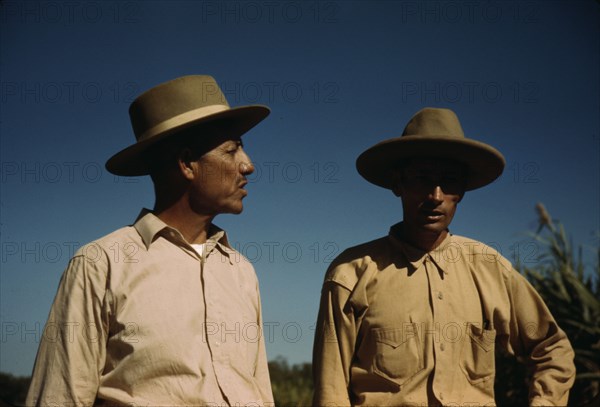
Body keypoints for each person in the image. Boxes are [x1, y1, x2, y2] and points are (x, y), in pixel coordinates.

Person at [26, 75, 274, 406]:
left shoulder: (241, 272)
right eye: (231, 150)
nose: (248, 165)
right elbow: (60, 396)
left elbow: (260, 390)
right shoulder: (101, 264)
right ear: (187, 164)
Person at [312, 107, 576, 406]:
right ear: (398, 184)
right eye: (422, 178)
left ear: (461, 190)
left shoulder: (490, 268)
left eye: (449, 181)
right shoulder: (351, 273)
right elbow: (330, 390)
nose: (435, 196)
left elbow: (553, 349)